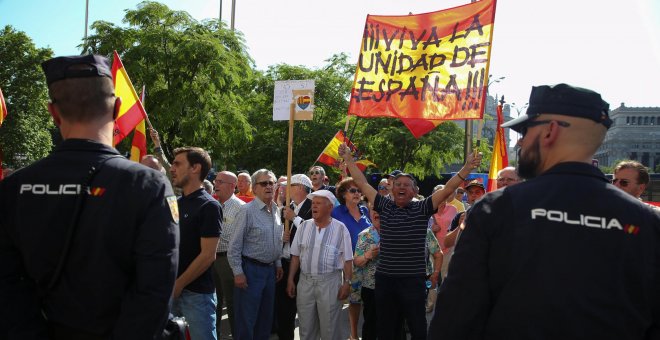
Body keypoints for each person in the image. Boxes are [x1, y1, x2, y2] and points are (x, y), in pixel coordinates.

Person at [428, 83, 660, 339]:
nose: (520, 143)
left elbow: (456, 317)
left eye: (525, 131)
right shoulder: (647, 222)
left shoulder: (497, 208)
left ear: (550, 131)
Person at [0, 54, 178, 339]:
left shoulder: (13, 187)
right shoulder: (148, 185)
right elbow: (154, 292)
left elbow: (7, 288)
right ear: (117, 107)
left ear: (53, 113)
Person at [339, 143, 481, 340]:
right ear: (391, 190)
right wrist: (348, 159)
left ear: (415, 191)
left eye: (407, 184)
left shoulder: (423, 208)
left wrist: (467, 167)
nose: (401, 187)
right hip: (385, 281)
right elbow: (362, 183)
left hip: (413, 281)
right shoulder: (384, 205)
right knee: (387, 329)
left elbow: (449, 187)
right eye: (397, 184)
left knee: (417, 327)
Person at [170, 147, 222, 340]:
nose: (172, 168)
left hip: (197, 296)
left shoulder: (209, 206)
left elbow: (208, 255)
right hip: (172, 291)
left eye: (177, 164)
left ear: (195, 168)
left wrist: (179, 284)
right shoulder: (175, 203)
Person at [287, 190, 353, 340]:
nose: (314, 207)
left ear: (330, 207)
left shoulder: (340, 229)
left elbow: (347, 260)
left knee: (330, 329)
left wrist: (347, 283)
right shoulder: (304, 227)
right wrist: (291, 279)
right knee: (306, 328)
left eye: (318, 203)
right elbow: (295, 256)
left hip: (330, 282)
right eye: (313, 203)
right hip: (305, 282)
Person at [228, 169, 284, 340]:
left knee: (265, 319)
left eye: (271, 183)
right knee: (246, 319)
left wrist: (278, 263)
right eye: (264, 183)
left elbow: (276, 239)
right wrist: (238, 272)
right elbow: (234, 245)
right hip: (250, 271)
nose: (268, 186)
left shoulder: (276, 210)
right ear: (255, 187)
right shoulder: (247, 211)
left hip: (270, 272)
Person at [331, 178, 373, 340]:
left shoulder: (365, 211)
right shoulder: (336, 212)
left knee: (368, 301)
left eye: (359, 191)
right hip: (346, 263)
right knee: (354, 302)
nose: (357, 194)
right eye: (352, 191)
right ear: (343, 194)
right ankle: (354, 336)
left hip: (369, 261)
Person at [277, 174, 314, 340]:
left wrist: (294, 219)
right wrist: (281, 236)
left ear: (300, 187)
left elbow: (313, 231)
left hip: (304, 266)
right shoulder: (286, 207)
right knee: (284, 311)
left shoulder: (314, 206)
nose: (286, 189)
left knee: (306, 310)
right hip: (285, 263)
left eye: (290, 186)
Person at [211, 171, 244, 338]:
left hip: (228, 260)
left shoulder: (239, 207)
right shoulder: (213, 204)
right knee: (213, 303)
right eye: (215, 181)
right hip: (211, 259)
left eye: (220, 181)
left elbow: (237, 239)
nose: (215, 184)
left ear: (232, 186)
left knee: (232, 303)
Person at [353, 200, 381, 340]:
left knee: (393, 323)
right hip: (370, 287)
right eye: (372, 210)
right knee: (370, 324)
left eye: (379, 209)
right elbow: (357, 261)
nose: (376, 212)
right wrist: (368, 255)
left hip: (393, 287)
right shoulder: (364, 235)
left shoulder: (396, 232)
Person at [444, 179, 486, 249]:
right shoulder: (460, 216)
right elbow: (447, 243)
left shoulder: (492, 215)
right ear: (467, 196)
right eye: (470, 192)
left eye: (477, 192)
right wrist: (459, 227)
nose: (473, 195)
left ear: (484, 194)